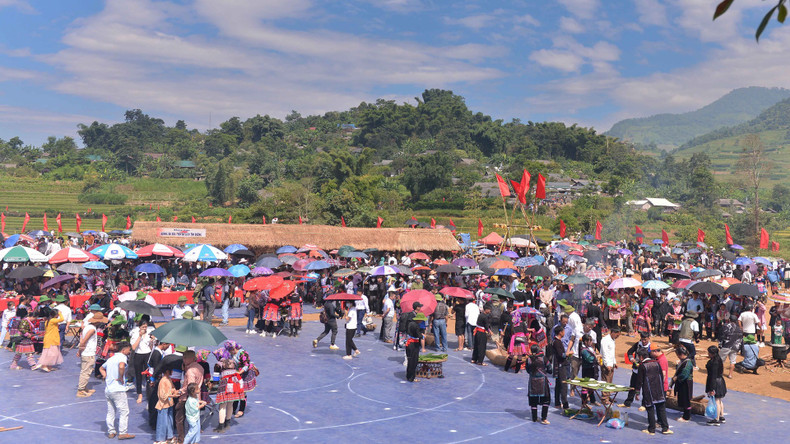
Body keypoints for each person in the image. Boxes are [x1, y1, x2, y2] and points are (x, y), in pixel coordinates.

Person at [100, 341, 135, 440]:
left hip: (109, 389)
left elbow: (101, 368)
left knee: (111, 411)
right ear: (124, 350)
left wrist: (106, 376)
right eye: (129, 349)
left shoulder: (111, 358)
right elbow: (121, 366)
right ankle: (123, 432)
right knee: (124, 411)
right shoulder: (122, 357)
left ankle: (111, 431)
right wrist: (121, 377)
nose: (129, 351)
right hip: (118, 389)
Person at [634, 348, 672, 435]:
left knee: (650, 409)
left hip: (649, 391)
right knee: (661, 409)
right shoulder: (657, 363)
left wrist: (637, 393)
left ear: (641, 357)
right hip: (659, 390)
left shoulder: (642, 366)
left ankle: (651, 429)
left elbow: (639, 381)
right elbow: (662, 376)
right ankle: (665, 428)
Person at [175, 350, 205, 443]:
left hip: (187, 398)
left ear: (191, 358)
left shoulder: (190, 371)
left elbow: (189, 386)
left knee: (180, 419)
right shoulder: (199, 367)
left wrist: (179, 391)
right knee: (196, 420)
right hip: (197, 396)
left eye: (185, 358)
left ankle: (182, 440)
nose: (183, 360)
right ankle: (195, 440)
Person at [77, 313, 106, 398]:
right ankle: (81, 390)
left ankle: (84, 388)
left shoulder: (88, 327)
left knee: (85, 370)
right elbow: (83, 341)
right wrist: (80, 350)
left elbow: (82, 338)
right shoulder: (92, 329)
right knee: (86, 372)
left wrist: (80, 351)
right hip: (88, 353)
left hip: (86, 352)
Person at [620, 332, 651, 408]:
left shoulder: (651, 347)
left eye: (645, 340)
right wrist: (631, 359)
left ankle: (644, 405)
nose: (644, 341)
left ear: (649, 338)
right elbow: (629, 352)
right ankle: (627, 403)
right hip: (636, 370)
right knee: (632, 386)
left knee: (645, 388)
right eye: (642, 339)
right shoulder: (637, 344)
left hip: (645, 371)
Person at [214, 358, 244, 433]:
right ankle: (227, 423)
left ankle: (221, 426)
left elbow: (216, 379)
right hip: (234, 385)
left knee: (222, 406)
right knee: (230, 404)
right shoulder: (233, 362)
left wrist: (215, 383)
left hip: (225, 386)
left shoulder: (218, 365)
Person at [130, 319, 155, 404]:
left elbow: (151, 348)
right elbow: (133, 347)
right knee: (138, 375)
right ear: (139, 327)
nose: (145, 328)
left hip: (147, 354)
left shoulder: (149, 333)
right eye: (143, 327)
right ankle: (139, 394)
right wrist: (140, 336)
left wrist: (152, 341)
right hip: (138, 355)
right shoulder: (135, 334)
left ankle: (149, 393)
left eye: (146, 327)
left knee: (148, 374)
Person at [526, 344, 551, 424]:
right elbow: (550, 368)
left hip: (533, 381)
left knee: (533, 401)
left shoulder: (529, 359)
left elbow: (527, 370)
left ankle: (534, 418)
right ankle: (544, 419)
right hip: (542, 382)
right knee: (546, 400)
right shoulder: (543, 358)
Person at [33, 308, 64, 372]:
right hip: (51, 339)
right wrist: (60, 313)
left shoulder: (48, 320)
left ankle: (49, 366)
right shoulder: (52, 320)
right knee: (51, 353)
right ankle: (44, 365)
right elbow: (62, 319)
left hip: (51, 338)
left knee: (52, 353)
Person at [155, 368, 178, 444]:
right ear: (167, 370)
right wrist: (172, 395)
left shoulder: (169, 379)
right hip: (163, 404)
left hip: (169, 403)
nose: (172, 371)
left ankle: (170, 436)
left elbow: (173, 388)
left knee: (169, 421)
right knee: (162, 422)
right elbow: (162, 395)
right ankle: (160, 439)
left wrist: (175, 391)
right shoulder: (163, 381)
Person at [671, 345, 694, 422]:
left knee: (686, 400)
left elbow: (684, 374)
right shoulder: (682, 361)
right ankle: (685, 414)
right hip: (682, 383)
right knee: (683, 398)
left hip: (686, 383)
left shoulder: (687, 363)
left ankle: (686, 417)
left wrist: (677, 378)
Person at [705, 345, 727, 426]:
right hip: (720, 381)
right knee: (719, 400)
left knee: (717, 401)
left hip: (716, 382)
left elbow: (713, 376)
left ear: (712, 353)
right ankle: (721, 416)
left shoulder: (715, 362)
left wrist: (712, 389)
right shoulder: (718, 359)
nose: (708, 354)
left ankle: (716, 419)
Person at [551, 327, 571, 410]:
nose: (564, 333)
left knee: (558, 385)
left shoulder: (556, 342)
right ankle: (565, 403)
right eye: (563, 331)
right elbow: (561, 355)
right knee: (563, 385)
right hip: (560, 366)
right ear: (560, 332)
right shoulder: (557, 342)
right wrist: (568, 354)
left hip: (558, 365)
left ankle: (557, 403)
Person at [599, 327, 619, 406]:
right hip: (606, 364)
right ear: (613, 332)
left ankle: (608, 396)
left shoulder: (612, 340)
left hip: (611, 364)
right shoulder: (605, 340)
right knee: (605, 381)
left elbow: (612, 353)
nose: (617, 337)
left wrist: (614, 362)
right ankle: (604, 398)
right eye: (617, 335)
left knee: (609, 381)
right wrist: (607, 364)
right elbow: (604, 353)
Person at [579, 334, 600, 407]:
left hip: (592, 369)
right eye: (589, 341)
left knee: (591, 386)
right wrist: (596, 357)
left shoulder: (590, 348)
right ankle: (584, 403)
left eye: (591, 340)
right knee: (585, 386)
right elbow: (589, 359)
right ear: (585, 341)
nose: (591, 342)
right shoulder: (583, 350)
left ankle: (592, 400)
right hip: (587, 370)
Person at [405, 310, 426, 382]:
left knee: (410, 360)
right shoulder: (416, 326)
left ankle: (408, 375)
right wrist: (422, 336)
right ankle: (412, 377)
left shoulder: (410, 323)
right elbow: (418, 335)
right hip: (414, 344)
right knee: (414, 361)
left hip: (409, 343)